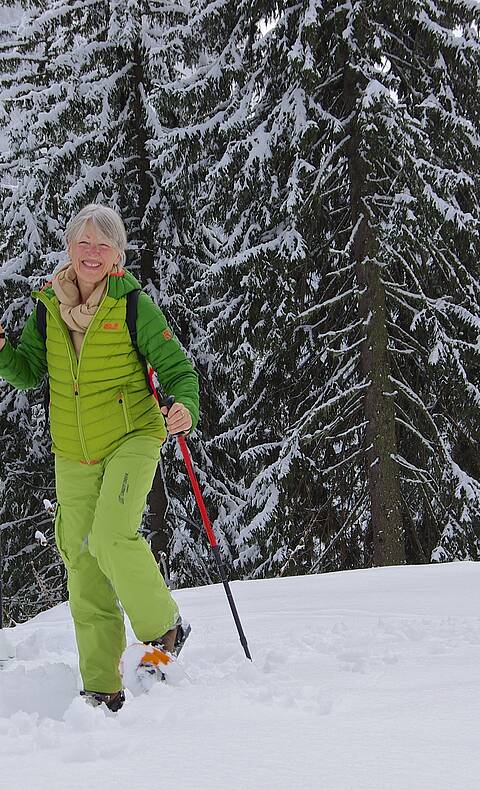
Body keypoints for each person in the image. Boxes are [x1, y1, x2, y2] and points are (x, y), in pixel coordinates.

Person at [0, 204, 199, 711]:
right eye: (83, 243)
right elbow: (26, 371)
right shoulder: (48, 306)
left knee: (112, 534)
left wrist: (183, 406)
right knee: (82, 559)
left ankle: (164, 627)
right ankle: (101, 687)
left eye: (103, 244)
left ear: (117, 256)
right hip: (72, 449)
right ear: (70, 248)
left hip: (132, 435)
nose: (91, 253)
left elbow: (177, 367)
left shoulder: (131, 305)